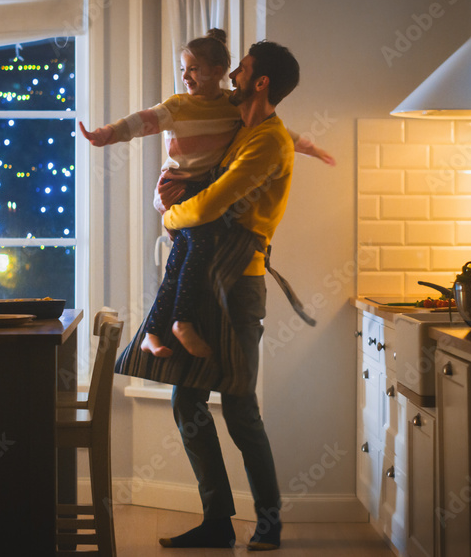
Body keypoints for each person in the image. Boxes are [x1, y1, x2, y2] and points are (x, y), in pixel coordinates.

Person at [80, 29, 332, 360]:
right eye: (183, 69)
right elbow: (143, 121)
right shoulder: (184, 107)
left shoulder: (241, 117)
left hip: (219, 233)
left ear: (224, 74)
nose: (186, 76)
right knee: (190, 249)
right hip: (182, 191)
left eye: (193, 69)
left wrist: (311, 147)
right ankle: (172, 326)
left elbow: (283, 134)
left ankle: (158, 330)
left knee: (185, 252)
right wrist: (108, 133)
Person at [147, 40, 306, 551]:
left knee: (238, 408)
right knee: (186, 396)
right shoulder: (242, 130)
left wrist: (168, 216)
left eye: (241, 70)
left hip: (240, 287)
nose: (231, 76)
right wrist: (165, 187)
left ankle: (270, 523)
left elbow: (211, 203)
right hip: (209, 278)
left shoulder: (268, 143)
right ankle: (217, 520)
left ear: (260, 82)